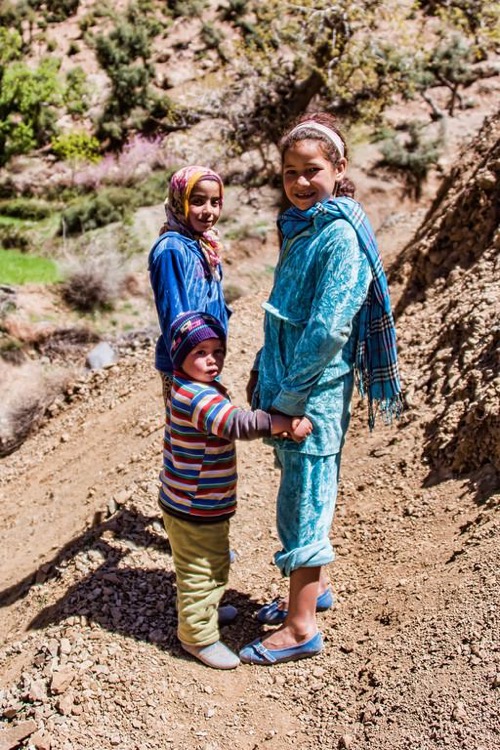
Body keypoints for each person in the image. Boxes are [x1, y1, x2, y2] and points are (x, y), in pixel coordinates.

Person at [239, 112, 402, 666]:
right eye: (290, 172)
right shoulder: (303, 227)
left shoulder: (339, 237)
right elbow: (286, 313)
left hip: (312, 395)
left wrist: (288, 399)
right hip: (288, 382)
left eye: (312, 170)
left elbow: (329, 329)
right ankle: (316, 589)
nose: (301, 182)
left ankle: (300, 626)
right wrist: (264, 367)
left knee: (302, 502)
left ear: (338, 168)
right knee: (302, 485)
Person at [159, 310, 311, 670]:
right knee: (202, 570)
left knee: (206, 563)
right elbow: (235, 424)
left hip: (193, 501)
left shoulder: (192, 386)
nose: (212, 360)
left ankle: (201, 611)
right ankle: (197, 636)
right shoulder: (195, 397)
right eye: (200, 353)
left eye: (218, 351)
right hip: (194, 506)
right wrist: (281, 423)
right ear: (180, 356)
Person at [148, 165, 230, 408]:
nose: (208, 211)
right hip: (185, 365)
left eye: (215, 202)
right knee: (189, 431)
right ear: (179, 201)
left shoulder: (204, 244)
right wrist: (192, 367)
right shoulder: (171, 249)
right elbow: (174, 316)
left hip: (204, 359)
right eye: (197, 202)